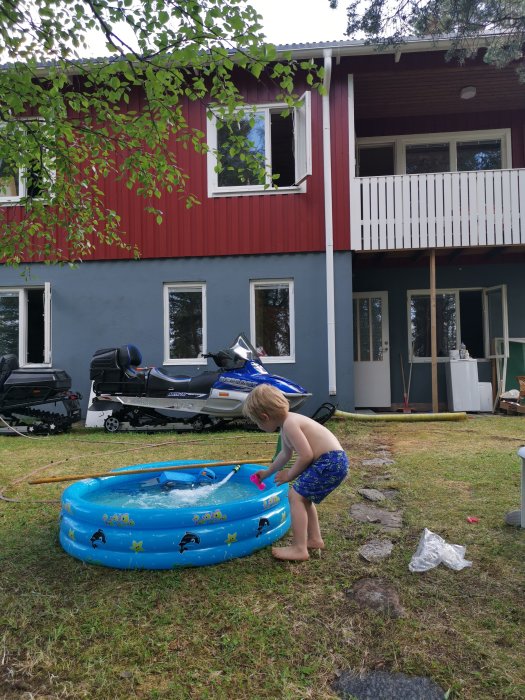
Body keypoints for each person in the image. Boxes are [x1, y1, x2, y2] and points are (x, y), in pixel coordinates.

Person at [243, 384, 348, 561]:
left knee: (295, 496)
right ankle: (314, 539)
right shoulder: (287, 425)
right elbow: (285, 454)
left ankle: (299, 548)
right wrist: (267, 472)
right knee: (303, 497)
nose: (259, 426)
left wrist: (289, 475)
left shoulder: (291, 424)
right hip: (333, 461)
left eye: (258, 423)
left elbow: (306, 455)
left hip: (330, 461)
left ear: (265, 417)